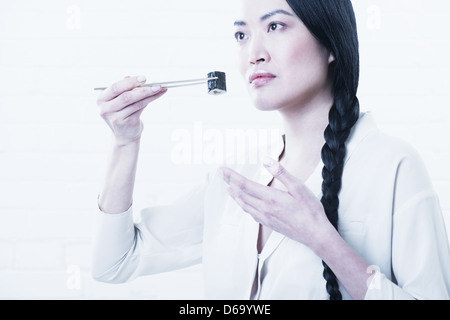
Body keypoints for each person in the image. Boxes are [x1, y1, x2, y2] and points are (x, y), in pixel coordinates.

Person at [92, 0, 450, 300]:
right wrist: (125, 141)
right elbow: (115, 262)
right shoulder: (235, 180)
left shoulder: (393, 167)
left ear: (330, 42)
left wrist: (322, 239)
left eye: (276, 27)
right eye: (241, 35)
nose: (254, 54)